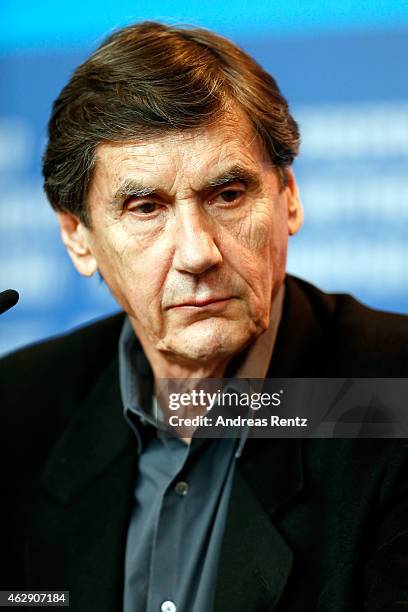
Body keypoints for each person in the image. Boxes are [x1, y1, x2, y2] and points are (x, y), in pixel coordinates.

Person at [1, 21, 407, 612]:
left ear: (288, 197)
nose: (198, 253)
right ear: (78, 237)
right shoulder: (18, 412)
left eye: (228, 195)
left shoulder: (393, 397)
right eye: (146, 207)